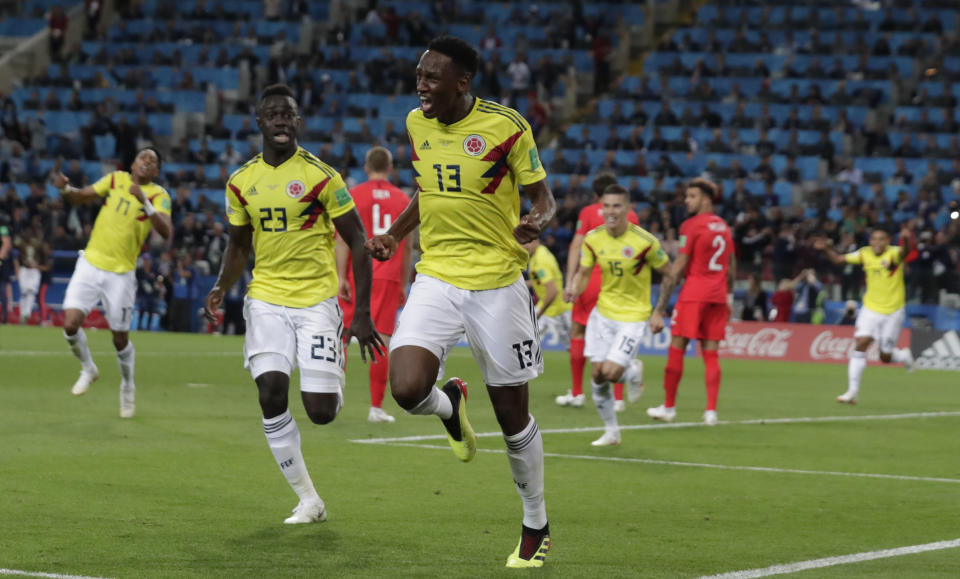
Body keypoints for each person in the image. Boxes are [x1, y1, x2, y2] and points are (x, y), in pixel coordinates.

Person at [364, 36, 556, 568]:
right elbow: (428, 190)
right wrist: (396, 235)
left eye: (431, 78)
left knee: (511, 414)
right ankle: (449, 407)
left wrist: (534, 222)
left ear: (462, 82)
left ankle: (535, 524)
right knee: (404, 387)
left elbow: (544, 196)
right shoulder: (416, 124)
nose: (420, 86)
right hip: (438, 275)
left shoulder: (507, 126)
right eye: (419, 75)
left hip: (497, 281)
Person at [203, 84, 383, 525]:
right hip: (266, 298)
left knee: (320, 412)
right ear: (259, 123)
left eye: (289, 114)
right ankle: (309, 500)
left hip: (317, 301)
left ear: (298, 122)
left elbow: (358, 241)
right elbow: (239, 244)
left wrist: (360, 313)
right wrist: (222, 286)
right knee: (270, 391)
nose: (281, 121)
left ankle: (330, 370)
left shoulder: (323, 177)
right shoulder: (241, 182)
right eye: (272, 115)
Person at [54, 148, 173, 418]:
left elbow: (166, 231)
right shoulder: (116, 179)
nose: (146, 162)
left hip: (121, 274)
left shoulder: (160, 195)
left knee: (119, 339)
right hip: (90, 263)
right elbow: (81, 197)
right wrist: (65, 189)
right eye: (143, 157)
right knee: (70, 324)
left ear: (156, 172)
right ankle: (88, 368)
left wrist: (146, 202)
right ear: (133, 163)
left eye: (152, 161)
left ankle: (128, 385)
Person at [564, 185, 673, 446]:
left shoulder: (645, 242)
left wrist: (659, 311)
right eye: (607, 206)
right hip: (603, 314)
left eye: (616, 206)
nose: (611, 211)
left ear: (627, 208)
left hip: (633, 317)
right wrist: (573, 289)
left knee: (613, 373)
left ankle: (632, 369)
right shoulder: (593, 239)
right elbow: (584, 272)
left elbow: (669, 273)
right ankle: (612, 432)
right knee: (598, 375)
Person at [647, 179, 735, 426]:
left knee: (677, 347)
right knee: (711, 353)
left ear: (706, 199)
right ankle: (711, 412)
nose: (687, 200)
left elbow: (680, 265)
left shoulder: (691, 225)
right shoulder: (725, 228)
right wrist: (728, 296)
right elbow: (732, 267)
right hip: (717, 295)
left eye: (692, 196)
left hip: (694, 293)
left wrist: (660, 308)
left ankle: (669, 407)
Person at [335, 146, 412, 424]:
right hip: (388, 275)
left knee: (342, 333)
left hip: (357, 273)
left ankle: (334, 394)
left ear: (366, 168)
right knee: (381, 339)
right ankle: (376, 408)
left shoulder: (354, 195)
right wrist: (403, 283)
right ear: (390, 169)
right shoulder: (403, 198)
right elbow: (407, 245)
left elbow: (343, 238)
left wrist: (341, 275)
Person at [559, 173, 640, 410]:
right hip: (618, 280)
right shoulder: (630, 214)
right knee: (616, 333)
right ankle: (617, 398)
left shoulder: (587, 213)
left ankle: (577, 392)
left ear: (596, 195)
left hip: (591, 278)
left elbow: (576, 245)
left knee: (578, 331)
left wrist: (570, 282)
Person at [814, 226, 914, 403]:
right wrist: (826, 249)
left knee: (885, 356)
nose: (877, 242)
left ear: (888, 240)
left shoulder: (894, 253)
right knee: (861, 343)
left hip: (893, 311)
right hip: (870, 309)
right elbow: (838, 260)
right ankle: (852, 391)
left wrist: (905, 239)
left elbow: (905, 252)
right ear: (870, 241)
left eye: (882, 239)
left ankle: (903, 356)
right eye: (874, 239)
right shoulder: (864, 253)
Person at [523, 235, 572, 350]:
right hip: (546, 307)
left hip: (558, 310)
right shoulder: (535, 256)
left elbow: (552, 291)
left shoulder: (541, 260)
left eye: (528, 242)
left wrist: (539, 314)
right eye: (523, 243)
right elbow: (538, 281)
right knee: (526, 339)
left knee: (572, 347)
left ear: (537, 241)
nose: (525, 246)